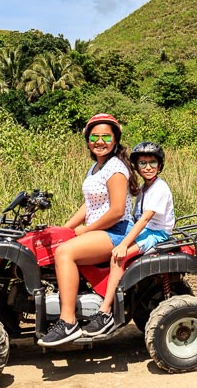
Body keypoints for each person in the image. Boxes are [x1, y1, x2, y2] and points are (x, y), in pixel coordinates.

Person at [38, 113, 139, 347]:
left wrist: (87, 230)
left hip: (117, 231)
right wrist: (66, 227)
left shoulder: (115, 168)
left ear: (115, 140)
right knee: (56, 245)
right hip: (100, 230)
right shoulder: (96, 167)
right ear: (87, 139)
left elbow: (115, 211)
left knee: (65, 253)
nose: (100, 141)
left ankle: (68, 322)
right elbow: (89, 204)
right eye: (95, 136)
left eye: (106, 136)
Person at [81, 141, 175, 337]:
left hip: (156, 233)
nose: (148, 167)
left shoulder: (160, 187)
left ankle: (105, 311)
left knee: (118, 258)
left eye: (152, 163)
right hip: (144, 229)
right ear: (137, 167)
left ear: (160, 165)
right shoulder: (143, 188)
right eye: (143, 163)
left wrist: (123, 244)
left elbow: (145, 219)